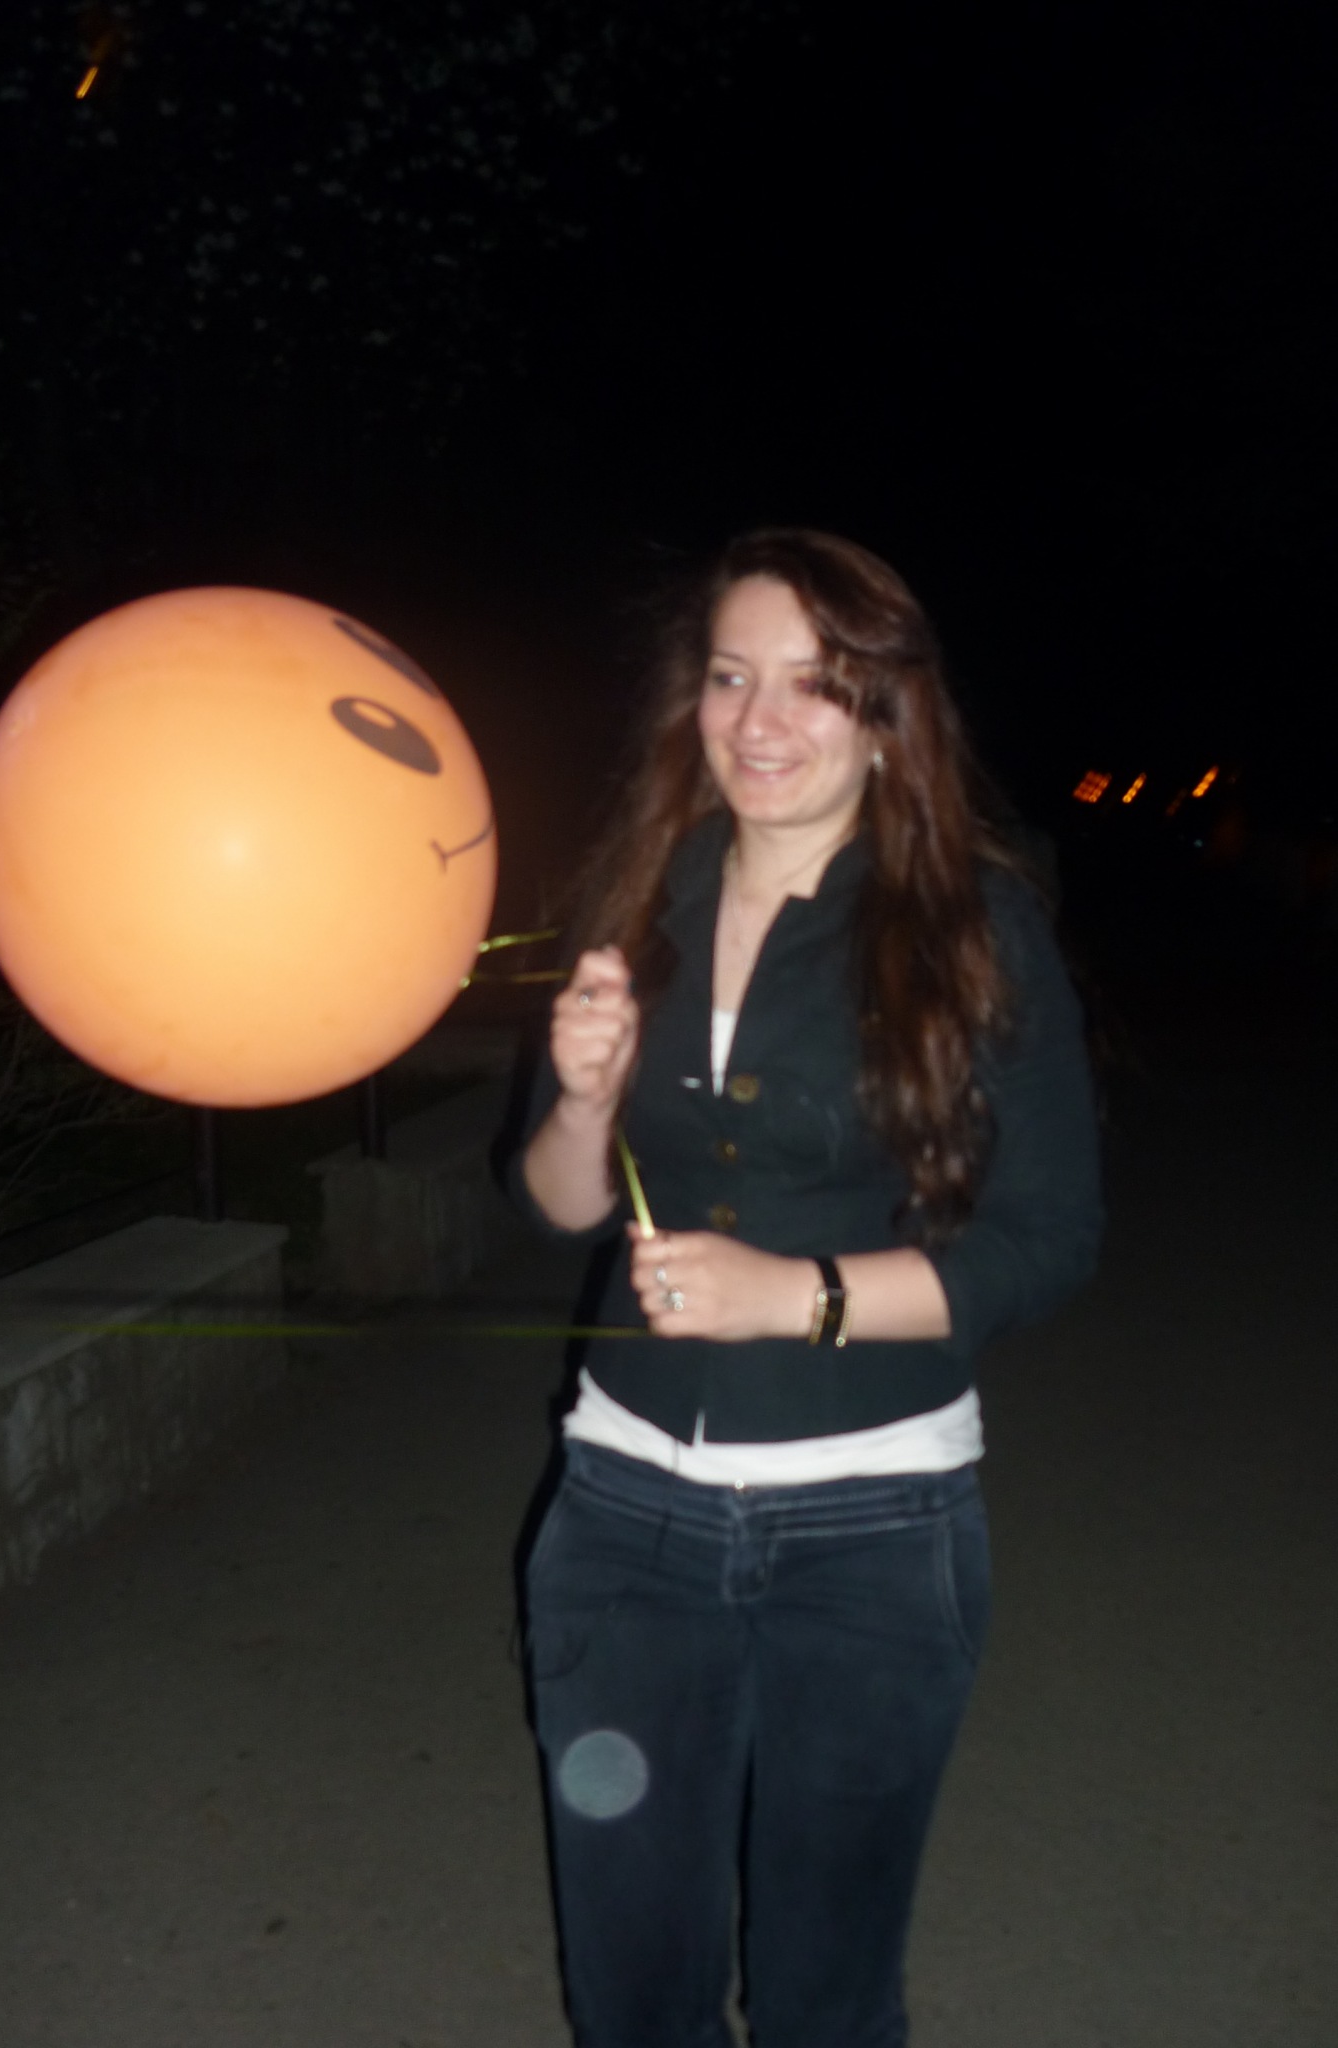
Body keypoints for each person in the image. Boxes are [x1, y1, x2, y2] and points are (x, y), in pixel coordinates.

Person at [512, 528, 1102, 2048]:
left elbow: (1048, 1238)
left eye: (813, 684)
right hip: (624, 1518)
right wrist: (582, 1102)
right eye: (730, 678)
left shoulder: (975, 928)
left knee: (825, 1996)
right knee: (630, 1997)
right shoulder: (636, 900)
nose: (759, 721)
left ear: (885, 714)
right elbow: (560, 1202)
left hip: (873, 1531)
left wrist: (800, 1298)